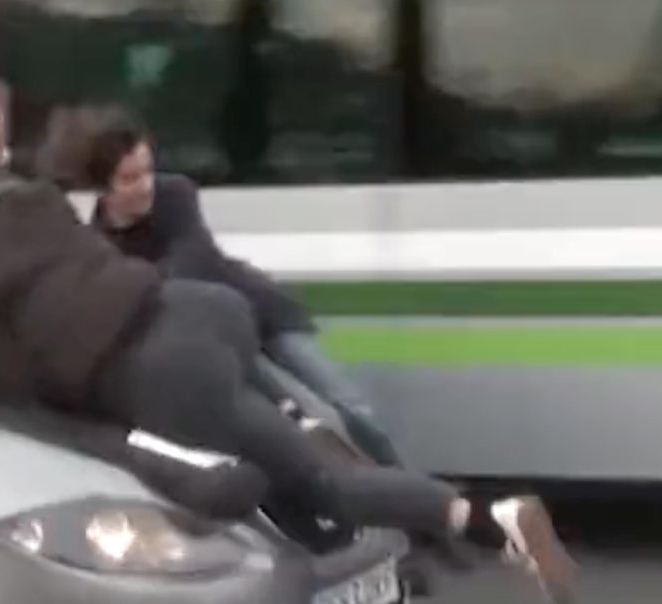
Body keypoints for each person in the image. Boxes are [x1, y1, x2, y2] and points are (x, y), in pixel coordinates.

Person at [0, 139, 580, 604]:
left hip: (165, 375)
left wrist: (156, 454)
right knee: (305, 447)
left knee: (323, 486)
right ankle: (371, 533)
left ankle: (489, 521)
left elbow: (32, 406)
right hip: (206, 312)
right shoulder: (30, 205)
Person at [33, 103, 405, 468]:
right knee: (284, 427)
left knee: (348, 405)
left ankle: (405, 487)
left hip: (263, 315)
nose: (145, 186)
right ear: (104, 187)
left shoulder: (176, 194)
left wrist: (142, 285)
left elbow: (193, 258)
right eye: (130, 179)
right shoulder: (102, 240)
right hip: (220, 340)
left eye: (147, 171)